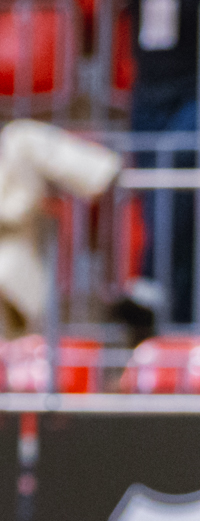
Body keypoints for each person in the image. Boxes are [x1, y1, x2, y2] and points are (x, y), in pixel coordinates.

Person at [124, 0, 200, 331]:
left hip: (193, 90)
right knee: (159, 197)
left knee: (175, 168)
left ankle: (151, 279)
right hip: (148, 93)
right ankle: (175, 317)